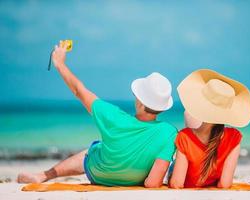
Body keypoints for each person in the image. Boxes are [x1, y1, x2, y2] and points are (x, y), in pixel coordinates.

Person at [17, 41, 177, 188]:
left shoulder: (113, 116)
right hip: (134, 179)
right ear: (162, 107)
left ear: (140, 102)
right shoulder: (169, 132)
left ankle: (44, 175)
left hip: (99, 174)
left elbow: (78, 90)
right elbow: (153, 183)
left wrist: (59, 63)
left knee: (92, 150)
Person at [169, 69, 250, 188]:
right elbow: (225, 184)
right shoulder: (234, 137)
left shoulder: (185, 137)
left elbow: (177, 183)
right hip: (210, 181)